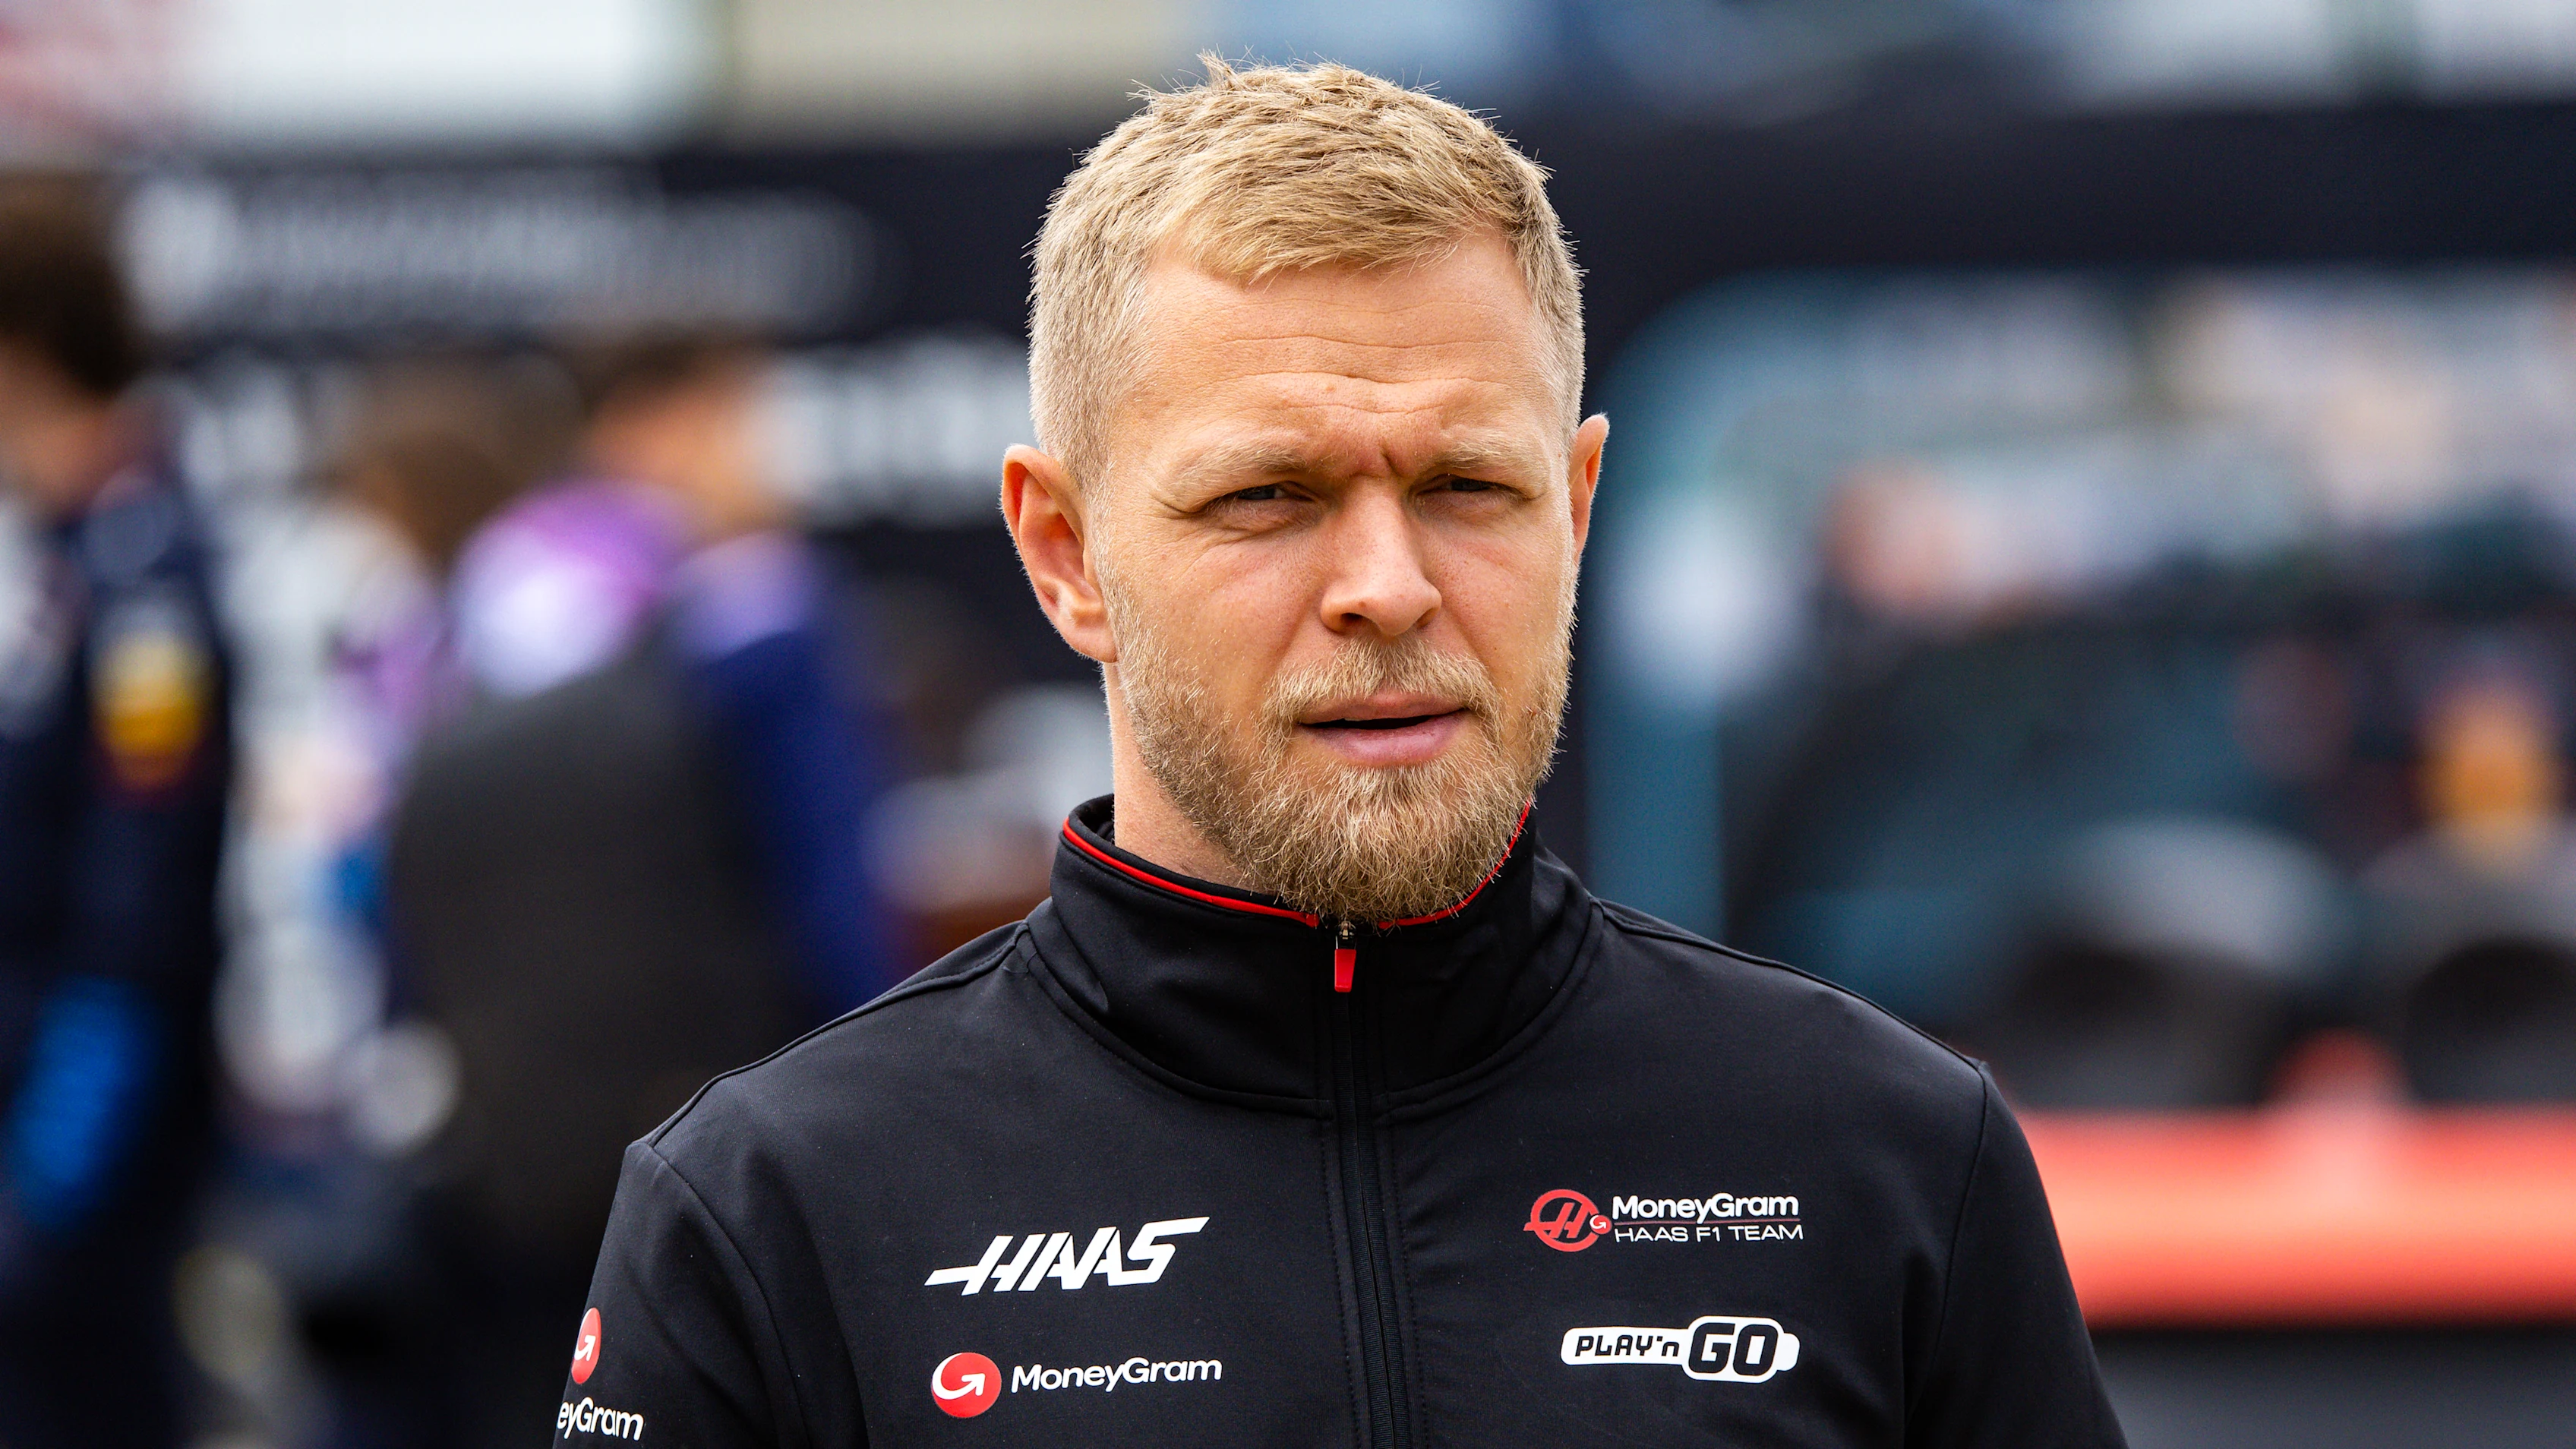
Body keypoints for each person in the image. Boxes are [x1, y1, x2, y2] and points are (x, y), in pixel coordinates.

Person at [560, 60, 2122, 1447]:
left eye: (1465, 485)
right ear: (1065, 553)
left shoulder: (1889, 1155)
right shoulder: (772, 1213)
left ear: (1576, 510)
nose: (1389, 583)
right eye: (1265, 496)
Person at [0, 178, 229, 1448]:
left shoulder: (145, 577)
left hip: (83, 1156)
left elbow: (137, 923)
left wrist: (45, 1188)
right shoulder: (63, 554)